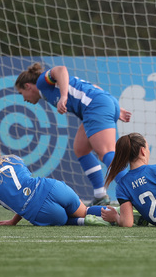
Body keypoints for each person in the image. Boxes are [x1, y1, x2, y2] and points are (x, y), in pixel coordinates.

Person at [15, 63, 131, 206]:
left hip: (95, 106)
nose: (24, 98)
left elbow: (61, 69)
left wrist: (63, 96)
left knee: (106, 152)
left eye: (21, 93)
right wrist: (115, 107)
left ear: (28, 86)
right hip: (97, 105)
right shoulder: (46, 91)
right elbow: (95, 87)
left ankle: (132, 191)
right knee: (81, 149)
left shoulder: (41, 82)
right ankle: (100, 195)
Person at [0, 135, 109, 226]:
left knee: (64, 220)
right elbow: (25, 188)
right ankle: (118, 213)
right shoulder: (14, 159)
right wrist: (13, 221)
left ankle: (85, 222)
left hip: (40, 211)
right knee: (85, 210)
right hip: (53, 187)